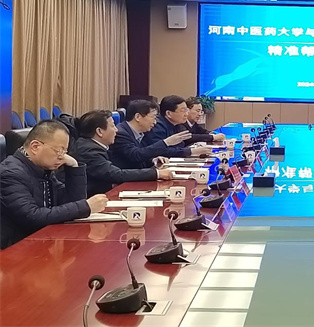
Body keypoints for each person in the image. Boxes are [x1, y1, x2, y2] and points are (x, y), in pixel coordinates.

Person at [0, 120, 108, 249]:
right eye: (59, 151)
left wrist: (74, 167)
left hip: (39, 242)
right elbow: (32, 217)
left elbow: (71, 201)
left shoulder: (42, 168)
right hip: (13, 249)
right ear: (35, 146)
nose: (62, 157)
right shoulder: (10, 173)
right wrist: (86, 206)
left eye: (65, 151)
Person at [72, 110, 174, 197]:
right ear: (99, 131)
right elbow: (116, 174)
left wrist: (152, 160)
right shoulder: (88, 150)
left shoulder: (94, 145)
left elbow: (124, 163)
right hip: (94, 198)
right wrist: (156, 173)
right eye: (113, 126)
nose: (116, 130)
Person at [110, 100, 192, 170]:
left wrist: (153, 160)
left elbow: (143, 154)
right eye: (153, 117)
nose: (155, 122)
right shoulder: (121, 133)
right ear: (138, 117)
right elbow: (135, 155)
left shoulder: (141, 133)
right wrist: (166, 142)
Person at [143, 96, 215, 158]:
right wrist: (191, 151)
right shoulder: (157, 126)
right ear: (169, 113)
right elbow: (160, 151)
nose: (186, 114)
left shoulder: (176, 124)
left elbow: (180, 146)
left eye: (186, 110)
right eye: (183, 111)